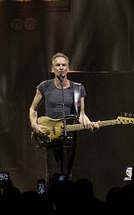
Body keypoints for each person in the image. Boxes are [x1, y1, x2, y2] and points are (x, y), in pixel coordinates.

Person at [29, 52, 99, 186]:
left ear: (68, 68)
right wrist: (34, 125)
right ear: (52, 69)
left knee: (66, 175)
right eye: (58, 65)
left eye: (63, 65)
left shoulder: (78, 89)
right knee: (52, 174)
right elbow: (33, 109)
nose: (61, 67)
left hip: (70, 136)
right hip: (51, 135)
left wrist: (90, 124)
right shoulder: (44, 86)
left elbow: (81, 115)